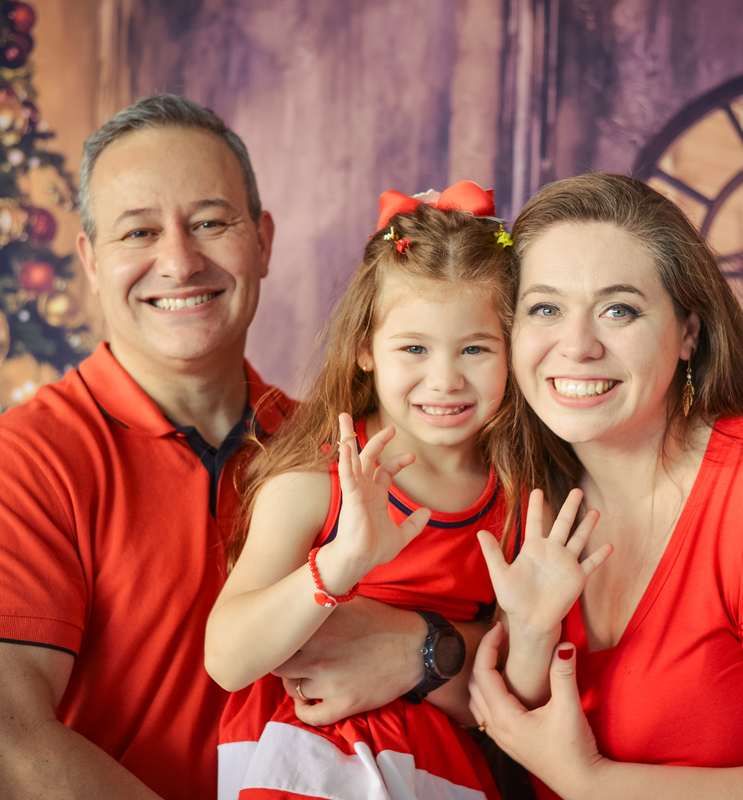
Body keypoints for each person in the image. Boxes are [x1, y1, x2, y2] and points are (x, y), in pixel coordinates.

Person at [0, 95, 459, 800]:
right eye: (137, 233)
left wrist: (424, 648)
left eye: (211, 222)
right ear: (89, 259)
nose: (178, 260)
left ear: (262, 241)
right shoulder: (23, 460)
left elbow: (520, 655)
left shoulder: (348, 452)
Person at [468, 174, 743, 800]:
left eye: (618, 309)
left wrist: (589, 782)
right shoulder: (518, 488)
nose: (576, 345)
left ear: (689, 333)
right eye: (544, 308)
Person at [210, 182, 545, 800]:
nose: (444, 380)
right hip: (306, 759)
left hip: (441, 770)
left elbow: (505, 691)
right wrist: (338, 564)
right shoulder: (315, 485)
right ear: (365, 348)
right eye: (413, 348)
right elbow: (228, 659)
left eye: (475, 348)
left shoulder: (518, 498)